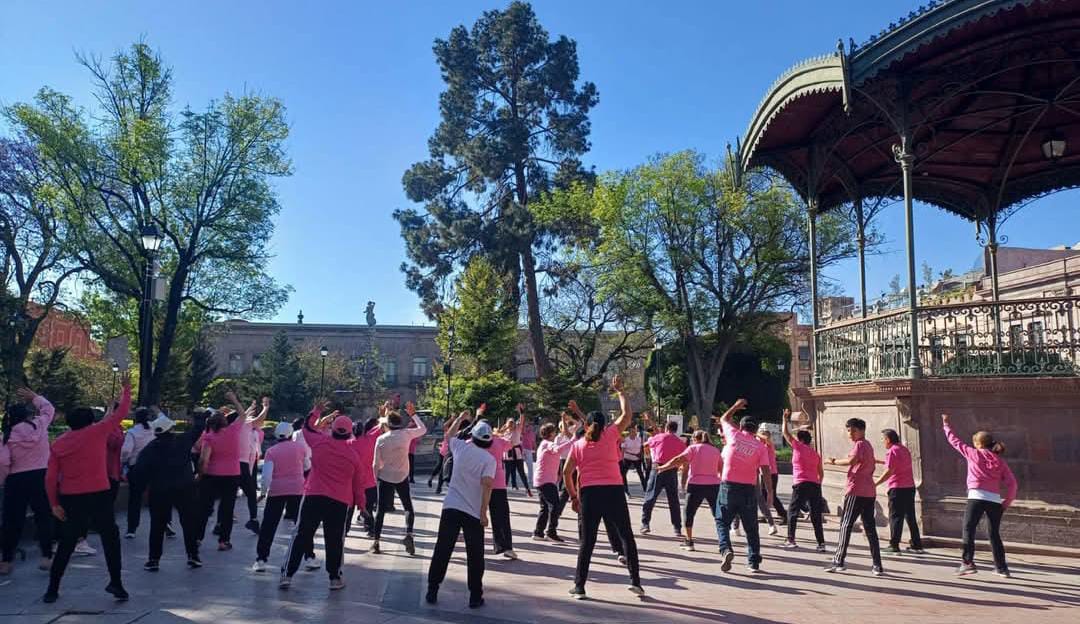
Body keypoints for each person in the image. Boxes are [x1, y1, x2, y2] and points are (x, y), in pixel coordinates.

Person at [43, 376, 131, 604]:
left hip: (71, 497)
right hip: (99, 494)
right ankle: (116, 582)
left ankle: (52, 588)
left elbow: (51, 477)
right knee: (110, 538)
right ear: (90, 421)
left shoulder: (59, 443)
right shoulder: (97, 432)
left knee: (67, 542)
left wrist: (54, 503)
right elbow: (121, 413)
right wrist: (126, 388)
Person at [563, 375, 643, 600]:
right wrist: (620, 391)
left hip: (589, 493)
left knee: (587, 542)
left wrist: (573, 496)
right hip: (614, 491)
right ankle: (636, 582)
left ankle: (579, 587)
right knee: (626, 536)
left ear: (586, 425)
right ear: (602, 424)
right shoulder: (610, 436)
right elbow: (627, 415)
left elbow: (566, 473)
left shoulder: (578, 445)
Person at [279, 403, 364, 590]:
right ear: (350, 432)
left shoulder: (319, 442)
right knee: (335, 540)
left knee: (301, 535)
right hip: (339, 501)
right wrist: (362, 506)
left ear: (332, 429)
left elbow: (307, 427)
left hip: (314, 495)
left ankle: (287, 575)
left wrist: (317, 411)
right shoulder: (353, 455)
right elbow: (359, 484)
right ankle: (334, 577)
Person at [425, 412, 495, 609]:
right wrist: (483, 512)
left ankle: (432, 589)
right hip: (472, 512)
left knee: (443, 549)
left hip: (451, 507)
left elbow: (449, 435)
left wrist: (460, 417)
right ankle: (475, 596)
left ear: (472, 435)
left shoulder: (460, 448)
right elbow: (487, 486)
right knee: (475, 555)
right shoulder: (489, 460)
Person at [127, 410, 207, 571]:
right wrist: (200, 416)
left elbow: (139, 471)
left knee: (157, 525)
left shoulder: (150, 449)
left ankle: (153, 559)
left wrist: (141, 486)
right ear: (170, 429)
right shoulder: (182, 441)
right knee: (188, 523)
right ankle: (193, 555)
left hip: (159, 490)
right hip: (185, 488)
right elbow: (198, 429)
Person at [942, 413, 1017, 577]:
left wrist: (946, 424)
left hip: (976, 497)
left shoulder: (973, 454)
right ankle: (1001, 568)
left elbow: (954, 441)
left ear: (977, 443)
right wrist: (1005, 503)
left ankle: (968, 563)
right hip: (995, 500)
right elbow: (1013, 484)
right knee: (994, 534)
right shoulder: (999, 461)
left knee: (968, 529)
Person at [713, 399, 773, 574]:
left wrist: (735, 406)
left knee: (722, 521)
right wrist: (769, 492)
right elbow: (766, 471)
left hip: (728, 486)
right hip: (748, 489)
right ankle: (753, 562)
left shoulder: (734, 435)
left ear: (741, 426)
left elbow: (724, 419)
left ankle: (726, 549)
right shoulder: (760, 447)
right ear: (755, 430)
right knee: (751, 527)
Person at [1, 387, 55, 576]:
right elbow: (49, 409)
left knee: (12, 520)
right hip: (41, 475)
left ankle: (7, 560)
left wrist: (3, 479)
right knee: (43, 516)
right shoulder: (40, 425)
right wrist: (34, 397)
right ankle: (46, 556)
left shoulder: (6, 437)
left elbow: (3, 462)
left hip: (17, 479)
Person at [196, 391, 257, 551]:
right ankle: (224, 541)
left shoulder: (209, 437)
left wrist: (200, 474)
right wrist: (234, 399)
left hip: (211, 475)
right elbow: (243, 415)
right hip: (231, 475)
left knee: (204, 508)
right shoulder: (233, 431)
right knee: (227, 509)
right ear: (225, 423)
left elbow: (204, 459)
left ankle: (197, 537)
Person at [825, 417, 884, 576]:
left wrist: (834, 461)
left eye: (853, 430)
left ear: (861, 431)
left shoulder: (859, 445)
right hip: (869, 492)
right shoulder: (868, 445)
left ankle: (838, 561)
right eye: (849, 430)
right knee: (870, 528)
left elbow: (852, 460)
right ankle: (877, 565)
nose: (850, 434)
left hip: (856, 490)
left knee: (845, 525)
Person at [371, 401, 427, 555]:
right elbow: (423, 429)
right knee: (408, 507)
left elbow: (376, 463)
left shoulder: (381, 439)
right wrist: (413, 414)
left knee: (381, 511)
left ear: (387, 424)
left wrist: (375, 479)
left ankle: (376, 542)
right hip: (402, 475)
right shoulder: (406, 434)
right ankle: (409, 534)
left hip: (385, 476)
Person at [474, 402, 527, 559]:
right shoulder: (498, 442)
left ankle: (477, 546)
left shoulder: (472, 443)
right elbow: (512, 442)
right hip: (497, 483)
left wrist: (477, 416)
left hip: (479, 483)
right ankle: (506, 547)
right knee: (502, 516)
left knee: (476, 515)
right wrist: (499, 434)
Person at [253, 420, 308, 572]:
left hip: (277, 490)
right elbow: (307, 466)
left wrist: (263, 492)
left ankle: (261, 559)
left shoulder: (272, 451)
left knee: (269, 526)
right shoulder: (300, 448)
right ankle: (310, 557)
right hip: (297, 489)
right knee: (303, 525)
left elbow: (266, 476)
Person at [655, 429, 721, 552]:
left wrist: (663, 467)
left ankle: (689, 541)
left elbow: (678, 460)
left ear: (695, 439)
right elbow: (721, 469)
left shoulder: (693, 449)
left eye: (692, 439)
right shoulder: (716, 450)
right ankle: (722, 541)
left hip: (696, 485)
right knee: (717, 514)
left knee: (688, 512)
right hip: (714, 485)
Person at [874, 428, 925, 555]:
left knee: (895, 517)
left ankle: (894, 545)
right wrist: (879, 461)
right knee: (910, 516)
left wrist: (875, 483)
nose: (883, 442)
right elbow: (897, 463)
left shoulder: (891, 451)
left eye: (883, 440)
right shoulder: (903, 449)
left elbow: (889, 471)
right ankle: (916, 544)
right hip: (909, 487)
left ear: (888, 439)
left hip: (897, 488)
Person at [780, 410, 825, 551]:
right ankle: (821, 543)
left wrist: (784, 419)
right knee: (815, 514)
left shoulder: (797, 446)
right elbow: (821, 473)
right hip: (815, 485)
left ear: (800, 439)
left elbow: (785, 433)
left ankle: (791, 539)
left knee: (792, 511)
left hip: (801, 483)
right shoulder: (816, 454)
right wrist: (818, 484)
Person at [531, 413, 579, 542]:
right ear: (550, 433)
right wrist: (573, 441)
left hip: (543, 480)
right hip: (545, 481)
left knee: (545, 507)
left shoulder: (544, 443)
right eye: (554, 431)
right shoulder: (547, 444)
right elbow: (557, 450)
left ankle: (538, 532)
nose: (555, 432)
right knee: (555, 505)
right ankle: (551, 532)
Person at [639, 414, 686, 537]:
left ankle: (645, 524)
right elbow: (683, 458)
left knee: (650, 497)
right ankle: (677, 527)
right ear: (676, 430)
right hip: (672, 470)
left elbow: (645, 446)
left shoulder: (659, 437)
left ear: (666, 428)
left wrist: (649, 456)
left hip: (658, 468)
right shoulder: (679, 442)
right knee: (673, 500)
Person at [122, 407, 156, 538]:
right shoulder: (153, 429)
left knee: (135, 499)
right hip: (153, 467)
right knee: (156, 497)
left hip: (136, 467)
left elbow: (126, 451)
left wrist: (124, 461)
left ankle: (132, 528)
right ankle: (165, 523)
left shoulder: (132, 432)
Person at [238, 398, 269, 534]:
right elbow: (259, 420)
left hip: (240, 464)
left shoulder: (241, 426)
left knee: (228, 496)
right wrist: (266, 407)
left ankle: (220, 525)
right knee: (251, 495)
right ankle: (254, 520)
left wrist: (251, 407)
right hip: (241, 465)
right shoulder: (245, 425)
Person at [347, 416, 380, 538]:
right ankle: (370, 529)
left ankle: (345, 529)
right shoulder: (370, 440)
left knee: (349, 509)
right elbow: (380, 426)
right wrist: (384, 414)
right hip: (369, 481)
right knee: (368, 508)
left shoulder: (349, 444)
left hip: (353, 482)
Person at [501, 417, 532, 496]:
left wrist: (521, 413)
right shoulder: (505, 432)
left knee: (521, 472)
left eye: (512, 423)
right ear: (507, 424)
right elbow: (498, 433)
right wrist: (505, 428)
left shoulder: (517, 430)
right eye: (509, 423)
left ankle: (527, 489)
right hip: (508, 453)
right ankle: (503, 491)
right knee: (507, 473)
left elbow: (521, 422)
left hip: (517, 453)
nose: (511, 424)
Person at [620, 425, 647, 496]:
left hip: (637, 458)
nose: (634, 433)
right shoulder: (626, 440)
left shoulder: (639, 439)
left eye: (634, 431)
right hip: (627, 458)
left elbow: (641, 447)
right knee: (623, 474)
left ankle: (645, 489)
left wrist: (641, 454)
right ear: (629, 432)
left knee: (640, 474)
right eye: (632, 431)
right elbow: (622, 450)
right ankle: (626, 491)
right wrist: (622, 458)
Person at [521, 419, 537, 485]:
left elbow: (534, 442)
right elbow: (522, 429)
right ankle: (525, 480)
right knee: (521, 466)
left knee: (530, 466)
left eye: (531, 425)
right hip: (522, 449)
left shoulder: (533, 433)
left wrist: (535, 449)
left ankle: (530, 480)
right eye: (528, 425)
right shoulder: (523, 431)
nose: (530, 427)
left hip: (528, 450)